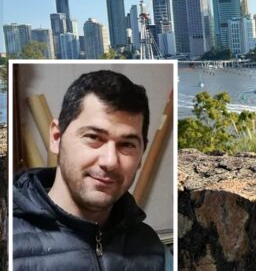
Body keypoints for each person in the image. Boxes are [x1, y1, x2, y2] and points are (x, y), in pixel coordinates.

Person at [13, 70, 165, 270]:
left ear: (141, 157)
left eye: (127, 144)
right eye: (94, 137)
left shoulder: (151, 248)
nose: (110, 161)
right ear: (57, 138)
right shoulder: (11, 242)